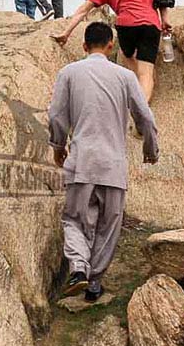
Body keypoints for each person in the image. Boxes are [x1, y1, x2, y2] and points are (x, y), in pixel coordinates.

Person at [49, 22, 159, 300]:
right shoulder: (125, 77)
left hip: (82, 162)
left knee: (75, 220)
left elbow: (56, 117)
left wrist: (58, 146)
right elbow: (144, 116)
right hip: (113, 167)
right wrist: (150, 149)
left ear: (84, 46)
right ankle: (95, 280)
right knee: (109, 226)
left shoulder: (69, 73)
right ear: (111, 45)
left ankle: (78, 268)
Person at [52, 0, 171, 102]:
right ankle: (142, 103)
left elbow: (83, 10)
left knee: (127, 54)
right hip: (149, 23)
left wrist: (66, 33)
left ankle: (139, 81)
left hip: (125, 26)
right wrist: (165, 19)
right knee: (146, 73)